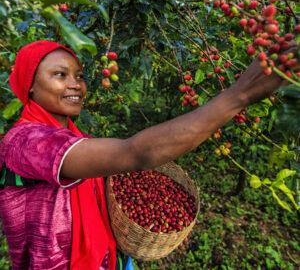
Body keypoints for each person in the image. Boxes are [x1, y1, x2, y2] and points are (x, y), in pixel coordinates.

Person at [0, 40, 298, 270]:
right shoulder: (25, 142)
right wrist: (240, 95)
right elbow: (134, 153)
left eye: (79, 75)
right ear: (31, 86)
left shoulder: (75, 138)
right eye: (59, 75)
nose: (76, 84)